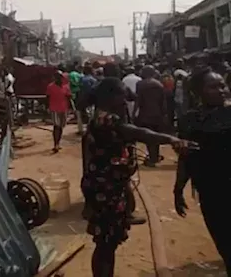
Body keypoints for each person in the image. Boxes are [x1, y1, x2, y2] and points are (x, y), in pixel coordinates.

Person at [83, 77, 192, 277]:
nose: (125, 101)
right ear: (109, 97)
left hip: (108, 187)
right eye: (121, 96)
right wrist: (170, 138)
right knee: (106, 244)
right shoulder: (106, 119)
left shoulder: (103, 117)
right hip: (106, 190)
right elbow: (138, 133)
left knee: (108, 242)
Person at [174, 68, 230, 272]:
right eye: (213, 87)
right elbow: (186, 157)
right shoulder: (189, 121)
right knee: (224, 243)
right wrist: (178, 189)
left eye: (223, 85)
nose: (222, 90)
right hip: (210, 192)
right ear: (198, 92)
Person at [134, 65, 168, 166]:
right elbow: (163, 102)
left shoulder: (140, 84)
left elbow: (138, 100)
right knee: (156, 136)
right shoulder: (159, 84)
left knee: (148, 136)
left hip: (145, 114)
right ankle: (155, 156)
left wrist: (134, 113)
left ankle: (152, 159)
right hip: (157, 114)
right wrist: (164, 114)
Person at [46, 71, 71, 153]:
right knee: (56, 126)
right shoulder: (50, 86)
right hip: (54, 109)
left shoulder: (66, 87)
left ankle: (58, 143)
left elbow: (68, 97)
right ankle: (55, 144)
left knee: (60, 127)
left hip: (64, 109)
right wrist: (47, 108)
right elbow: (47, 97)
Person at [77, 65, 98, 134]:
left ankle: (81, 130)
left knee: (80, 115)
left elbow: (79, 89)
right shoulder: (93, 80)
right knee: (91, 115)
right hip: (90, 99)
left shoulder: (81, 79)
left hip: (81, 99)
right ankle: (90, 129)